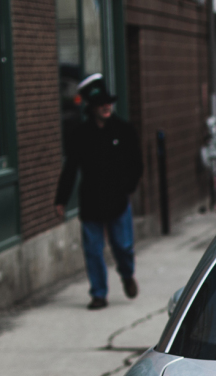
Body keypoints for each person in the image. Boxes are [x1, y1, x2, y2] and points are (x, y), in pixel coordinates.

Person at [54, 74, 143, 310]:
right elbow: (71, 168)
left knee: (123, 246)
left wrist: (128, 186)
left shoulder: (123, 131)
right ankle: (99, 293)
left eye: (108, 103)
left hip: (118, 200)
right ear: (91, 107)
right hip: (91, 202)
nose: (106, 107)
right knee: (93, 250)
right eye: (100, 104)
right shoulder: (81, 135)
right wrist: (61, 199)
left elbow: (136, 162)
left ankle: (127, 274)